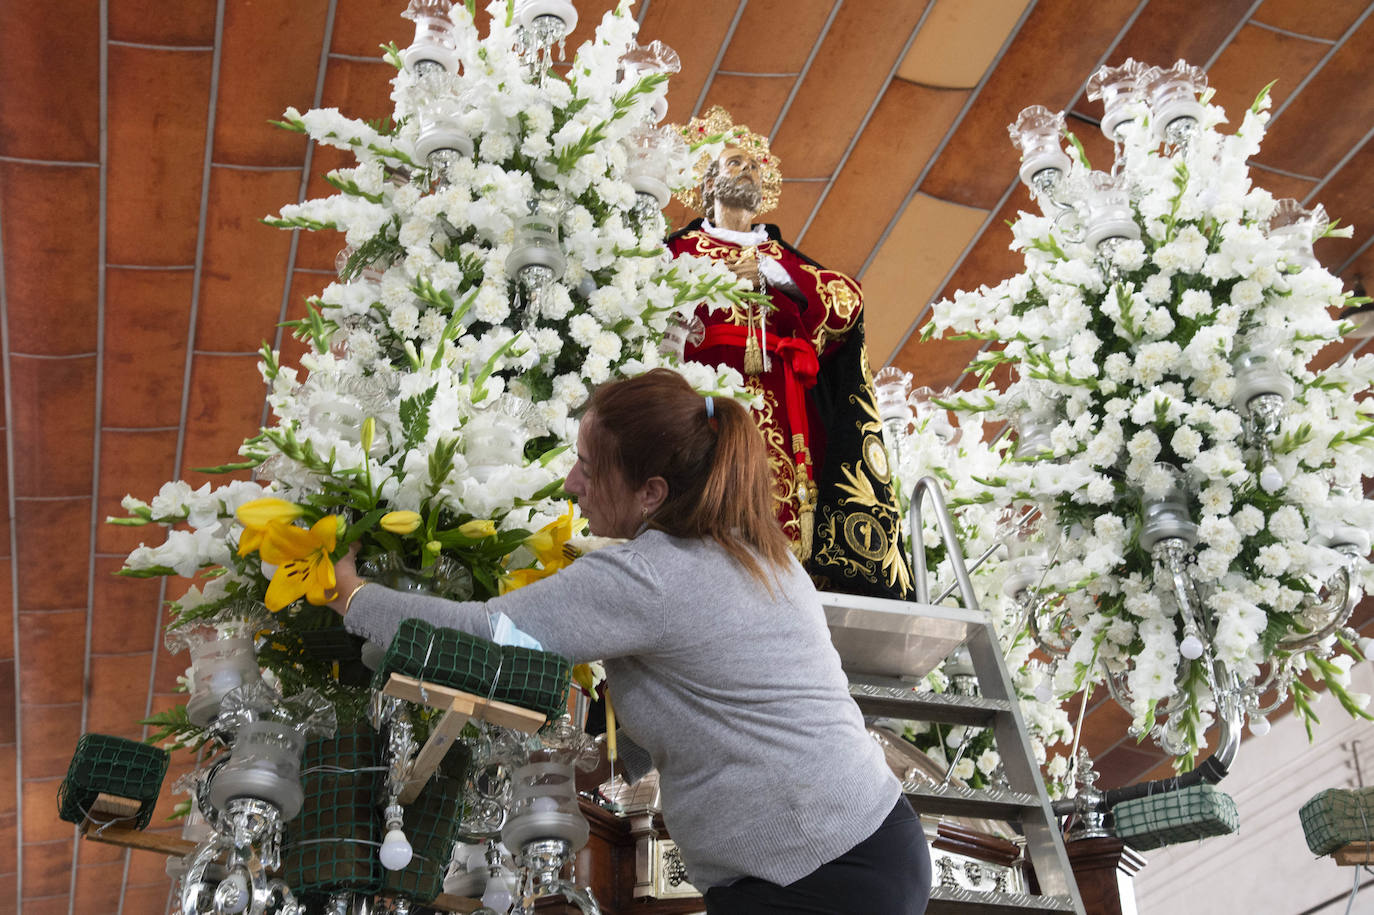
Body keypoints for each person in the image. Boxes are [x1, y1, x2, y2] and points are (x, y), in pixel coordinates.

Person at [329, 369, 931, 914]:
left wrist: (353, 597)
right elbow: (702, 704)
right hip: (861, 848)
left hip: (819, 869)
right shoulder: (748, 550)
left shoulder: (653, 575)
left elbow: (491, 636)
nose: (571, 485)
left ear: (652, 493)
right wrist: (595, 767)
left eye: (590, 468)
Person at [669, 106, 911, 602]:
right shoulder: (677, 251)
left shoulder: (785, 260)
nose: (749, 172)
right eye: (736, 164)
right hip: (704, 392)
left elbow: (846, 301)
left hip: (782, 399)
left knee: (778, 506)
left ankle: (783, 587)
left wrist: (775, 278)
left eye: (754, 166)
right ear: (709, 182)